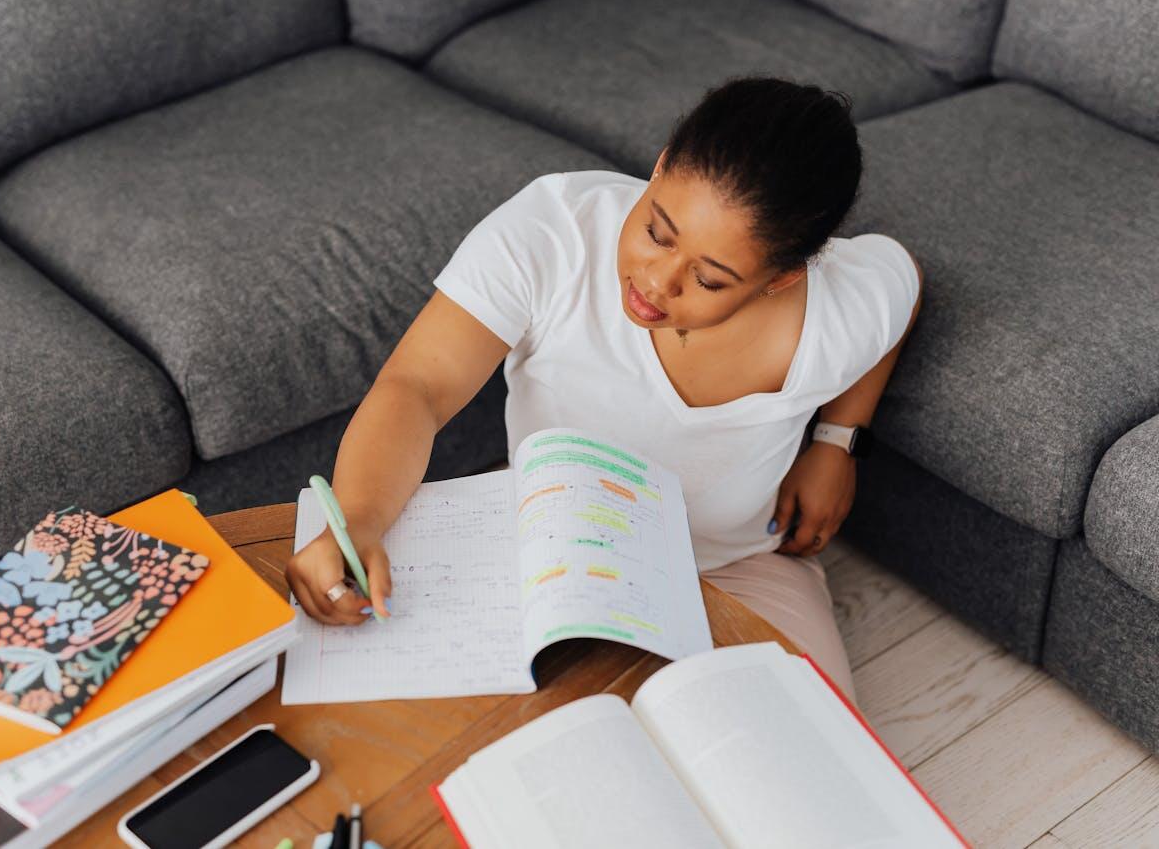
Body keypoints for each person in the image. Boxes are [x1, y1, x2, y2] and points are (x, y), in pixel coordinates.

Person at [287, 76, 923, 705]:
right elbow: (418, 385)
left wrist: (838, 442)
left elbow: (906, 283)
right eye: (657, 230)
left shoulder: (838, 315)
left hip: (737, 568)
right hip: (557, 551)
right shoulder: (554, 229)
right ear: (660, 165)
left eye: (708, 280)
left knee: (809, 747)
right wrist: (358, 521)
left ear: (780, 279)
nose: (656, 281)